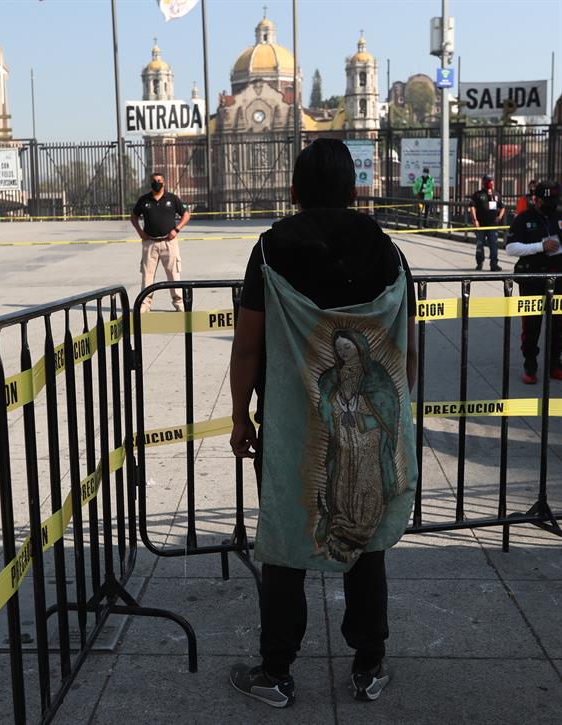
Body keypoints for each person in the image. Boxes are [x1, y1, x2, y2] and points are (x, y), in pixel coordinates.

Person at [228, 139, 418, 708]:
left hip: (292, 430)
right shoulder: (388, 252)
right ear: (353, 190)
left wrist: (239, 416)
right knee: (366, 536)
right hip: (369, 431)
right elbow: (405, 347)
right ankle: (369, 664)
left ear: (294, 191)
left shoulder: (271, 251)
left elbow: (247, 346)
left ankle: (276, 671)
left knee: (287, 537)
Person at [504, 180, 562, 384]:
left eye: (555, 200)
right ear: (536, 200)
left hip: (558, 279)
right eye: (548, 201)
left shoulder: (559, 216)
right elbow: (510, 248)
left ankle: (555, 364)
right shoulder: (524, 218)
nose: (552, 204)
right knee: (531, 325)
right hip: (532, 279)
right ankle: (530, 364)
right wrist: (540, 246)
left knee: (558, 325)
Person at [130, 172, 191, 312]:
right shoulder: (144, 200)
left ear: (164, 182)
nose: (156, 183)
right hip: (150, 243)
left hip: (169, 242)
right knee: (147, 275)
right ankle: (145, 304)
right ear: (150, 183)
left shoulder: (172, 199)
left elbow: (186, 215)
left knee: (173, 274)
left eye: (159, 180)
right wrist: (140, 232)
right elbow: (133, 217)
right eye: (154, 181)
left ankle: (179, 303)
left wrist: (177, 229)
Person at [469, 175, 506, 271]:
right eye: (487, 181)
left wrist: (499, 217)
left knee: (494, 245)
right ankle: (479, 262)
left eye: (491, 181)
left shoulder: (496, 195)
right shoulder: (478, 194)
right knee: (480, 245)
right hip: (481, 225)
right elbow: (472, 207)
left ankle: (494, 264)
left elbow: (502, 207)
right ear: (483, 182)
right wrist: (475, 220)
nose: (490, 183)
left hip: (492, 225)